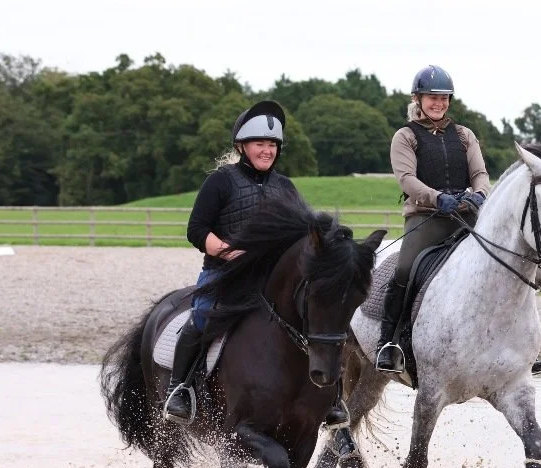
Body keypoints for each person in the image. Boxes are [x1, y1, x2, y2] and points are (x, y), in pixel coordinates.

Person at [164, 100, 350, 428]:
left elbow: (304, 236)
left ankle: (332, 401)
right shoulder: (221, 181)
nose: (267, 151)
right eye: (259, 144)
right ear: (242, 147)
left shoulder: (285, 187)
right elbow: (196, 230)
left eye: (272, 145)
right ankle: (180, 390)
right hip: (225, 274)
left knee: (320, 321)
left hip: (272, 281)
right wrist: (228, 252)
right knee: (201, 318)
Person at [376, 65, 491, 373]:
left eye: (444, 98)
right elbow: (407, 179)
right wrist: (437, 198)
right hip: (428, 217)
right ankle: (389, 342)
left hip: (466, 216)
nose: (438, 103)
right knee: (404, 268)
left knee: (504, 259)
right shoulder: (406, 136)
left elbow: (480, 173)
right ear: (418, 98)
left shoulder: (465, 135)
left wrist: (479, 194)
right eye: (432, 97)